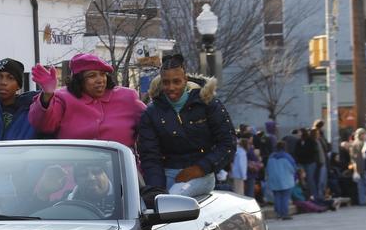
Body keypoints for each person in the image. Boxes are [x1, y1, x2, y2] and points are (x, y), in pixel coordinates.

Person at [138, 54, 235, 197]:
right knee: (151, 204)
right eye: (166, 82)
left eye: (176, 81)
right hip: (167, 173)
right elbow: (150, 156)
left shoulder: (208, 104)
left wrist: (199, 169)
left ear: (186, 80)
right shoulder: (152, 112)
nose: (171, 87)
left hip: (202, 173)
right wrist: (156, 190)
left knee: (174, 201)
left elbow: (228, 143)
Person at [29, 54, 146, 150]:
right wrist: (47, 94)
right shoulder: (63, 97)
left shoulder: (127, 97)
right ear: (79, 80)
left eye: (102, 74)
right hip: (73, 171)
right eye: (92, 76)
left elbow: (150, 123)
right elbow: (44, 125)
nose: (100, 80)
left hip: (119, 170)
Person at [265, 140, 297, 220]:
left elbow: (267, 169)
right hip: (286, 180)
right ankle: (284, 214)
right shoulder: (287, 156)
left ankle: (278, 213)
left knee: (277, 197)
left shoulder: (271, 157)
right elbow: (293, 168)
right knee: (285, 197)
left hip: (274, 180)